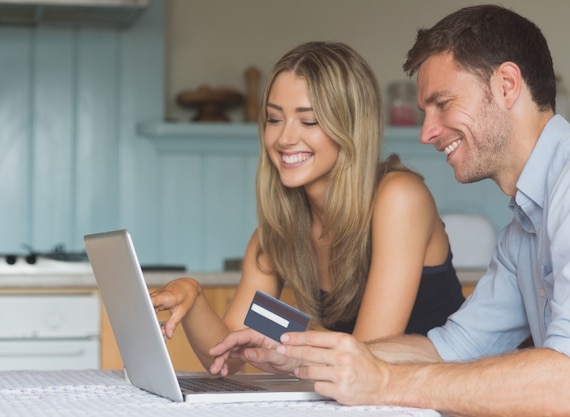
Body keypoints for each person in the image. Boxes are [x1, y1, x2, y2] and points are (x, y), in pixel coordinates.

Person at [209, 6, 570, 416]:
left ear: (506, 84)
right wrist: (301, 356)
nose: (426, 132)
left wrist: (386, 382)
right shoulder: (522, 231)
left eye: (442, 103)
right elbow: (451, 349)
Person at [151, 41, 465, 374]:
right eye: (274, 119)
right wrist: (193, 298)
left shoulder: (400, 198)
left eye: (309, 121)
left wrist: (282, 333)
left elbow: (366, 357)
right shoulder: (276, 234)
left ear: (351, 127)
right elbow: (227, 355)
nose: (284, 138)